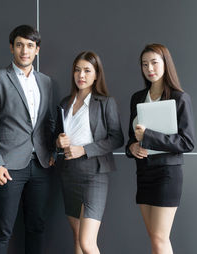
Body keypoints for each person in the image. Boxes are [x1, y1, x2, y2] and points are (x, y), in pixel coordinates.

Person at [0, 25, 56, 254]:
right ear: (11, 47)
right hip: (7, 167)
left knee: (37, 227)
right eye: (20, 45)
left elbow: (49, 121)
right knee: (2, 230)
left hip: (41, 165)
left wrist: (52, 152)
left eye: (30, 46)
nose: (25, 50)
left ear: (37, 50)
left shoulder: (45, 82)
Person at [125, 43, 195, 254]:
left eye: (154, 63)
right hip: (144, 173)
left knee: (160, 238)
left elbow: (187, 142)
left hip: (167, 174)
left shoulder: (179, 98)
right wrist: (133, 148)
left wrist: (148, 136)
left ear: (166, 64)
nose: (149, 68)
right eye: (144, 64)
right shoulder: (137, 98)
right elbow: (130, 140)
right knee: (154, 239)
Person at [55, 51, 124, 254]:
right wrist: (58, 141)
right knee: (77, 238)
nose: (81, 75)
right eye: (77, 70)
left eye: (87, 70)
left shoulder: (105, 102)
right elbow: (55, 137)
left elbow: (117, 138)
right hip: (69, 173)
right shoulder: (64, 103)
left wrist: (84, 149)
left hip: (95, 174)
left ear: (96, 75)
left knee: (87, 242)